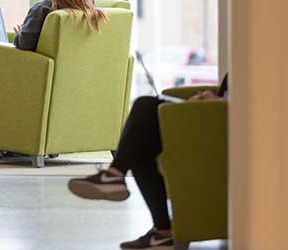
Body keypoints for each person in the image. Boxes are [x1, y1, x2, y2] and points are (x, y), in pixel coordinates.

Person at [67, 75, 229, 250]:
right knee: (141, 135)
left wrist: (218, 102)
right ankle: (162, 233)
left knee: (144, 108)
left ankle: (115, 176)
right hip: (213, 118)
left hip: (221, 126)